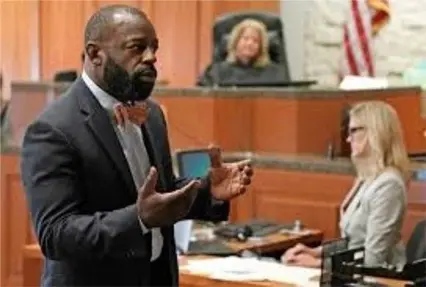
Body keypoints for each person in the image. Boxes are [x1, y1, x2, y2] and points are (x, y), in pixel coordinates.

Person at [20, 5, 253, 287]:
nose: (151, 57)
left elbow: (159, 194)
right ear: (95, 54)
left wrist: (207, 191)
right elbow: (55, 234)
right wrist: (138, 219)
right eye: (136, 48)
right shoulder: (53, 129)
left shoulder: (152, 114)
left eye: (154, 48)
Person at [281, 101, 410, 269]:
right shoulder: (367, 178)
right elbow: (352, 244)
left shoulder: (388, 185)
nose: (348, 139)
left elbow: (372, 262)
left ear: (376, 132)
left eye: (353, 131)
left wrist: (317, 264)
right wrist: (317, 252)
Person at [196, 18, 289, 86]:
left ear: (261, 47)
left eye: (255, 40)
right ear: (235, 42)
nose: (249, 43)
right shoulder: (215, 72)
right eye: (245, 38)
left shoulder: (274, 73)